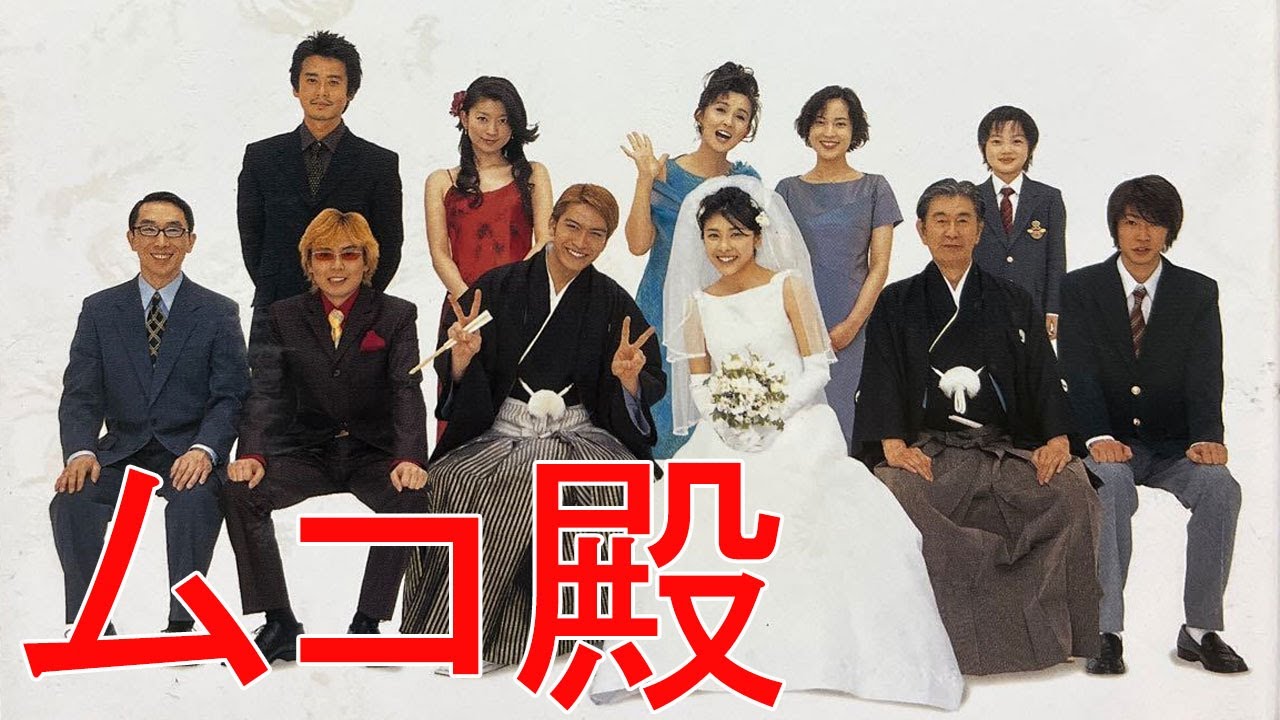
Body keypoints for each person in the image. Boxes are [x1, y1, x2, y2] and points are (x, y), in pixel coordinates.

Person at [593, 177, 963, 709]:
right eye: (713, 236)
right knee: (681, 518)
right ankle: (695, 653)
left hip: (798, 424)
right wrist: (731, 419)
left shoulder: (788, 285)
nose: (724, 247)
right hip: (725, 433)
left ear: (758, 237)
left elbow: (817, 366)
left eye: (736, 234)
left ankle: (818, 658)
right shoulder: (697, 303)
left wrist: (772, 411)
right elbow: (700, 381)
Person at [400, 184, 664, 672]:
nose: (581, 242)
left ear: (606, 241)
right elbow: (457, 374)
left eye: (596, 234)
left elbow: (647, 380)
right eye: (572, 227)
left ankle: (491, 633)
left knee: (543, 481)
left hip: (581, 435)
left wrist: (628, 380)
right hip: (504, 428)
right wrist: (462, 359)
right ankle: (460, 628)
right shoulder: (497, 287)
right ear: (552, 225)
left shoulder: (611, 300)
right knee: (453, 479)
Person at [853, 178, 1101, 675]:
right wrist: (893, 444)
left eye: (963, 220)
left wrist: (1057, 438)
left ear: (981, 230)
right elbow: (879, 377)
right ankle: (938, 643)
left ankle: (1057, 637)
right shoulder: (897, 302)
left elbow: (1042, 373)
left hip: (1002, 448)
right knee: (896, 491)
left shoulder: (1013, 300)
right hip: (931, 450)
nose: (952, 231)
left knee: (1073, 488)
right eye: (940, 221)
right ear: (921, 230)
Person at [1058, 175, 1246, 675]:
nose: (1142, 235)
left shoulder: (1197, 291)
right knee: (1110, 486)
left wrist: (1207, 438)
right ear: (1115, 228)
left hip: (1174, 445)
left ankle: (1201, 631)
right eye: (1131, 222)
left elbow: (1206, 372)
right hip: (1108, 440)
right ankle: (1105, 632)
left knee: (1221, 488)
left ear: (1170, 231)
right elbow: (1076, 371)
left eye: (1155, 224)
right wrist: (1098, 436)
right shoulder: (1080, 288)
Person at [223, 209, 428, 662]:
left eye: (349, 255)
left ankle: (367, 624)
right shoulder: (282, 315)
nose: (337, 267)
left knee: (412, 496)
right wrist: (253, 453)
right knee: (239, 490)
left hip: (372, 452)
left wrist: (409, 458)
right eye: (324, 255)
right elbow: (265, 390)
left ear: (367, 261)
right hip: (306, 452)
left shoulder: (396, 314)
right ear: (309, 263)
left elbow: (406, 389)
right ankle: (279, 622)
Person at [53, 191, 249, 634]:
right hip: (122, 450)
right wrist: (80, 451)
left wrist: (205, 449)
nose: (161, 241)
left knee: (195, 500)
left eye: (173, 230)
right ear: (132, 239)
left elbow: (231, 395)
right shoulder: (100, 310)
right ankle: (89, 625)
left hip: (188, 451)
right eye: (149, 229)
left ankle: (182, 624)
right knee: (72, 499)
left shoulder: (218, 312)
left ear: (190, 241)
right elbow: (81, 394)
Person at [621, 61, 761, 459]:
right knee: (657, 414)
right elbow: (637, 244)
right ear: (700, 114)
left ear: (747, 130)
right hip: (661, 311)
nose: (728, 121)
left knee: (712, 421)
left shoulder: (747, 182)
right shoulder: (664, 172)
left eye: (741, 116)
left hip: (720, 315)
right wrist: (645, 178)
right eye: (721, 109)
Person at [237, 30, 403, 358]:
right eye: (312, 80)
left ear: (350, 91)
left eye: (333, 82)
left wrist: (351, 297)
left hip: (351, 315)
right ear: (296, 87)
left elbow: (388, 245)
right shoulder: (261, 157)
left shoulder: (378, 163)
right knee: (270, 393)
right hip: (276, 311)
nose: (322, 92)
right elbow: (252, 240)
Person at [425, 76, 553, 437]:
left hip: (521, 306)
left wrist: (510, 296)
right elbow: (440, 254)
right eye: (482, 118)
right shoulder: (441, 181)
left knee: (520, 408)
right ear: (464, 118)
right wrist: (471, 303)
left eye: (503, 120)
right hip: (463, 309)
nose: (492, 130)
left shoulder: (533, 175)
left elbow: (544, 240)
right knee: (461, 406)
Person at [775, 86, 900, 448]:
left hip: (854, 324)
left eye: (840, 123)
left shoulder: (875, 188)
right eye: (820, 122)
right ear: (807, 128)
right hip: (796, 323)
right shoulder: (786, 190)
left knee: (846, 422)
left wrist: (851, 326)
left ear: (854, 130)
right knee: (798, 424)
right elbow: (776, 265)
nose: (829, 132)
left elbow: (880, 266)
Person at [970, 106, 1066, 340]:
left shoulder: (1048, 198)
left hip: (1032, 307)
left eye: (1016, 141)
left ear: (1030, 147)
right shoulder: (969, 197)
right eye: (996, 141)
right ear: (983, 147)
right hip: (980, 307)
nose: (1006, 150)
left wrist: (1054, 308)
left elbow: (1056, 258)